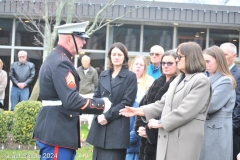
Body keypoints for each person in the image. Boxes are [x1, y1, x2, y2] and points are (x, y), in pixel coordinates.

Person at [120, 42, 212, 160]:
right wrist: (138, 110)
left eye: (179, 57)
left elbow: (185, 111)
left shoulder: (201, 81)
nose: (177, 60)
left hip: (184, 141)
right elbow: (162, 103)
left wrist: (159, 123)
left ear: (191, 57)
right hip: (169, 138)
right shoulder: (178, 79)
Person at [33, 21, 111, 160]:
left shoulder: (56, 58)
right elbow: (71, 101)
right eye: (81, 38)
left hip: (55, 129)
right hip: (58, 131)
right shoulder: (62, 62)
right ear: (69, 39)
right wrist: (102, 104)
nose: (84, 42)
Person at [86, 42, 138, 160]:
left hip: (117, 128)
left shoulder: (130, 77)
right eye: (113, 54)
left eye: (119, 54)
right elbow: (96, 97)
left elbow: (127, 102)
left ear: (124, 57)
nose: (116, 57)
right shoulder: (103, 74)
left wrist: (107, 116)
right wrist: (98, 115)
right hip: (100, 126)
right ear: (110, 56)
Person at [134, 50, 177, 160]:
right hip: (146, 141)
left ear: (177, 64)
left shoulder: (178, 84)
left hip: (162, 138)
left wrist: (150, 132)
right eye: (163, 63)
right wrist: (140, 127)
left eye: (170, 63)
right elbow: (143, 105)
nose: (165, 66)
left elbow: (169, 113)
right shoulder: (157, 82)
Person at [200, 45, 236, 160]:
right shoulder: (209, 79)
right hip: (208, 130)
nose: (205, 64)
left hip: (216, 133)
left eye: (208, 61)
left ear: (219, 61)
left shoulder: (226, 80)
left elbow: (210, 106)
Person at [126, 55, 154, 160]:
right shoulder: (125, 79)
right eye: (136, 64)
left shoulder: (149, 81)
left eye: (141, 65)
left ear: (144, 68)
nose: (138, 67)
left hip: (139, 117)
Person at [220, 42, 240, 160]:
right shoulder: (215, 73)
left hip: (231, 130)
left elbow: (238, 103)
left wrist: (232, 127)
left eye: (225, 54)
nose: (222, 57)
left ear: (234, 56)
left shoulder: (238, 75)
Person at [77, 55, 99, 129]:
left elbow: (96, 83)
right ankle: (80, 127)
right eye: (83, 61)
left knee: (89, 112)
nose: (84, 62)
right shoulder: (78, 70)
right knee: (80, 111)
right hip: (80, 94)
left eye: (86, 61)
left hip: (90, 94)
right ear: (81, 62)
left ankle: (90, 127)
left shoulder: (93, 71)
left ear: (89, 62)